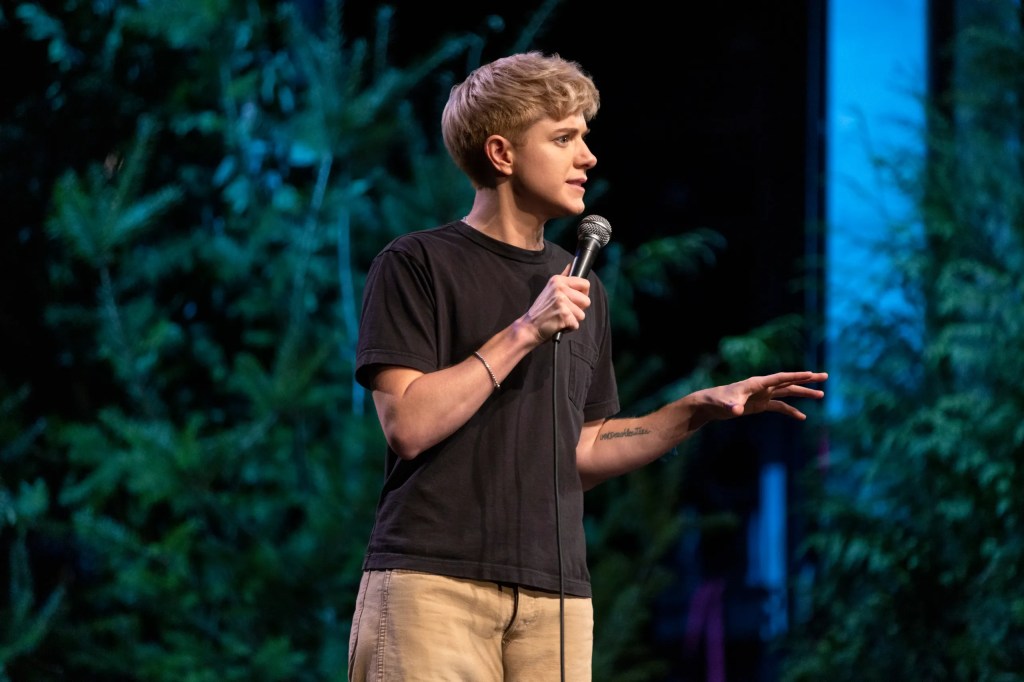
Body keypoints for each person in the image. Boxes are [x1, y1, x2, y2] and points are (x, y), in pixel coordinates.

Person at [347, 50, 827, 681]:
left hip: (555, 598)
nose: (588, 158)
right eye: (564, 138)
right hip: (433, 584)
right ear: (502, 154)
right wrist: (524, 330)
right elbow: (407, 424)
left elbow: (580, 451)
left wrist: (694, 412)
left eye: (586, 138)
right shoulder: (418, 265)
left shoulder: (580, 290)